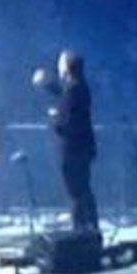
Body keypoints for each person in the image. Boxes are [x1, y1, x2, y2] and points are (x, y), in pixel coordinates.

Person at [32, 50, 99, 231]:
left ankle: (81, 230)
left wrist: (55, 117)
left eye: (61, 62)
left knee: (77, 191)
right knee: (82, 189)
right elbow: (63, 93)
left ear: (67, 67)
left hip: (74, 149)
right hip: (81, 148)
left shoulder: (75, 89)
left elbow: (66, 123)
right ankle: (88, 226)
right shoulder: (78, 86)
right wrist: (47, 84)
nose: (58, 66)